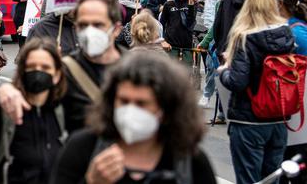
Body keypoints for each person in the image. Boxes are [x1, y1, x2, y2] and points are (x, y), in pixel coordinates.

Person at [52, 51, 216, 184]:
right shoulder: (83, 148)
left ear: (166, 108)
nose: (130, 110)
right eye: (123, 101)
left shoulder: (191, 163)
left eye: (141, 103)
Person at [0, 0, 125, 134]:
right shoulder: (67, 68)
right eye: (83, 25)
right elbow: (28, 84)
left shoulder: (132, 68)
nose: (90, 32)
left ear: (116, 29)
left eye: (98, 25)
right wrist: (3, 92)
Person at [0, 39, 66, 184]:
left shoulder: (64, 113)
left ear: (57, 74)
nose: (38, 71)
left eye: (45, 67)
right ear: (22, 71)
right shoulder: (4, 112)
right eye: (31, 66)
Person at [218, 0, 296, 184]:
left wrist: (224, 71)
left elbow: (238, 81)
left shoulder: (245, 37)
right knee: (272, 178)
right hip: (278, 118)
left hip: (248, 119)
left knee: (248, 179)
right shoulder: (286, 35)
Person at [267, 0, 307, 183]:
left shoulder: (297, 31)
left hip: (301, 114)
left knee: (298, 174)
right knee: (280, 170)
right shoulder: (278, 27)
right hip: (284, 112)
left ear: (279, 3)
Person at [158, 0, 196, 68]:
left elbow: (190, 23)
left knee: (185, 75)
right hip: (171, 47)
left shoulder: (193, 4)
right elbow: (161, 25)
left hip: (187, 47)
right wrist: (162, 41)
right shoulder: (168, 4)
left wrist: (191, 4)